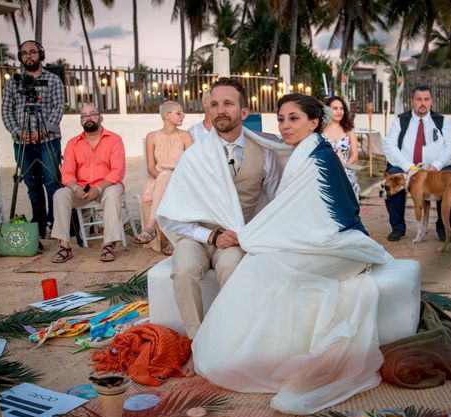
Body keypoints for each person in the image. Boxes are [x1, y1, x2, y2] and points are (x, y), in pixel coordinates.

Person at [180, 93, 393, 415]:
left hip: (339, 245)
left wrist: (248, 235)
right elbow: (291, 213)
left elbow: (300, 214)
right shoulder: (303, 153)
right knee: (257, 265)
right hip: (319, 240)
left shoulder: (319, 157)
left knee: (263, 267)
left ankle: (256, 358)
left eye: (293, 118)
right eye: (280, 119)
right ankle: (242, 354)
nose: (285, 125)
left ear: (314, 122)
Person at [157, 77, 283, 374]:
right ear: (208, 111)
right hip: (197, 235)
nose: (220, 109)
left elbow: (278, 199)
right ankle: (199, 344)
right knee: (184, 270)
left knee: (233, 269)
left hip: (238, 235)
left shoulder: (264, 150)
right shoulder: (195, 155)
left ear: (244, 111)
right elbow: (174, 215)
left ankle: (232, 343)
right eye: (214, 104)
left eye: (228, 103)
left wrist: (247, 235)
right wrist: (210, 235)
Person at [1, 40, 64, 239]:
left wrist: (43, 132)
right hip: (22, 143)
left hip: (48, 141)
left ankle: (57, 225)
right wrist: (18, 131)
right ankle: (38, 225)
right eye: (24, 53)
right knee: (32, 185)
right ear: (21, 57)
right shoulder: (13, 83)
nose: (29, 56)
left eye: (33, 52)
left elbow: (58, 108)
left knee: (52, 183)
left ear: (41, 54)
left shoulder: (53, 80)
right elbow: (6, 111)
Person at [50, 104, 126, 263]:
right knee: (60, 194)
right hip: (81, 189)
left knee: (112, 194)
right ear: (81, 121)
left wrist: (98, 188)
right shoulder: (73, 143)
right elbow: (67, 173)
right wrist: (75, 188)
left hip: (107, 186)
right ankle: (64, 246)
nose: (88, 118)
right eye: (84, 116)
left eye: (92, 114)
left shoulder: (114, 139)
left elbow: (117, 171)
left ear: (101, 117)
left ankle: (108, 244)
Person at [383, 86, 451, 241]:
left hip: (435, 167)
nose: (422, 103)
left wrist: (436, 165)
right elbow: (389, 145)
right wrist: (409, 167)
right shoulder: (401, 120)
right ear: (412, 101)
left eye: (426, 99)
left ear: (431, 102)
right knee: (391, 177)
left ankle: (444, 227)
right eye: (418, 99)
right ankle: (398, 227)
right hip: (407, 167)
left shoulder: (443, 121)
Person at [134, 101, 193, 254]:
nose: (183, 116)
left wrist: (171, 177)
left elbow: (192, 165)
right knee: (163, 178)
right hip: (157, 178)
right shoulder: (152, 136)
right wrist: (163, 177)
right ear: (167, 115)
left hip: (180, 180)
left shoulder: (185, 136)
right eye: (179, 113)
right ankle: (168, 239)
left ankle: (151, 226)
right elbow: (150, 167)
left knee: (166, 177)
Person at [322, 95, 360, 196]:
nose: (339, 111)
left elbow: (355, 154)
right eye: (335, 108)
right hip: (326, 173)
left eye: (341, 108)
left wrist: (343, 167)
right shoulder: (320, 130)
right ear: (327, 110)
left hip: (346, 172)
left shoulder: (349, 129)